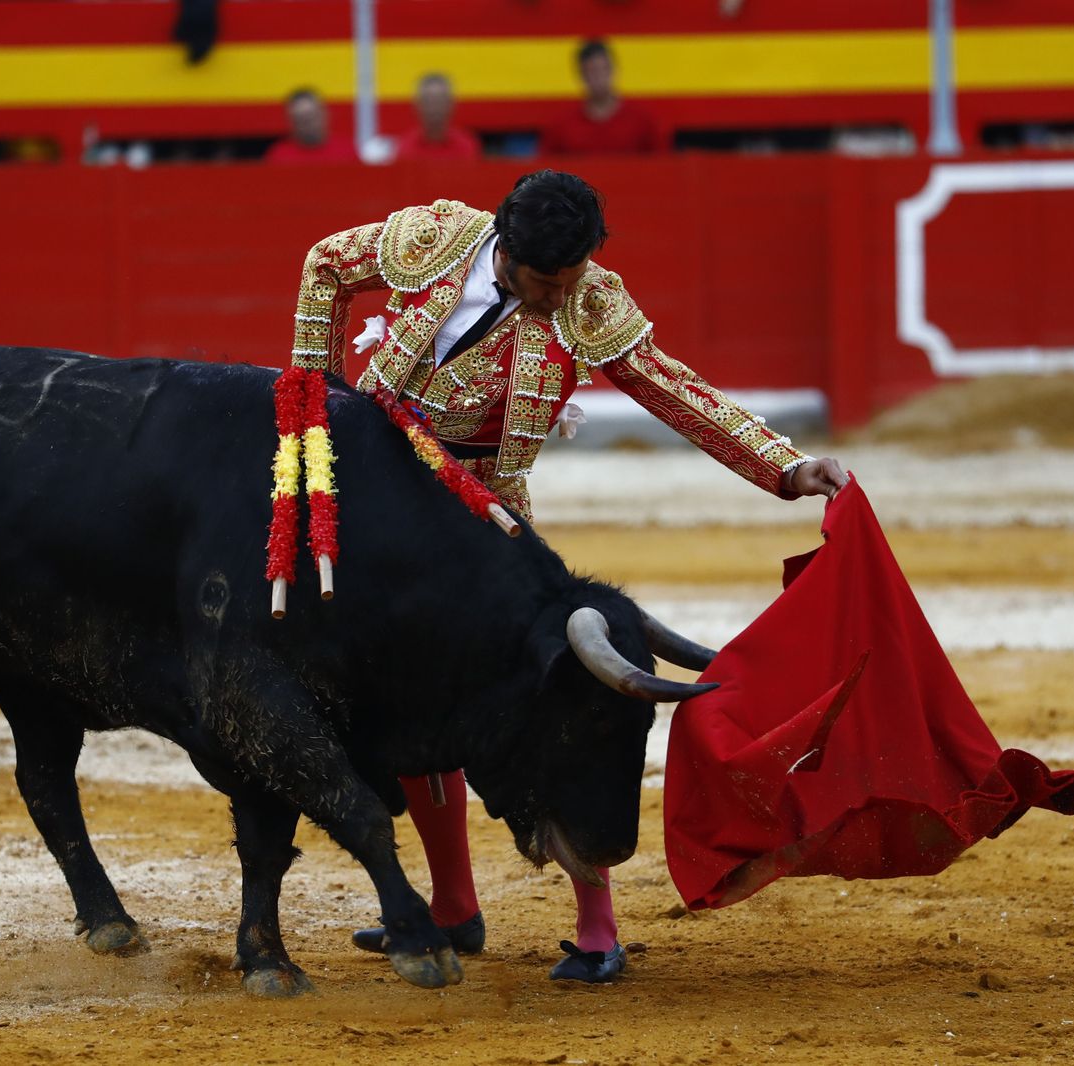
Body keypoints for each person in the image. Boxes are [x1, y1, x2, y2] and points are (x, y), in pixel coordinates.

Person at [288, 170, 846, 982]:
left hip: (492, 530)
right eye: (546, 283)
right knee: (408, 704)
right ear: (504, 252)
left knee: (566, 709)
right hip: (384, 510)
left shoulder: (590, 302)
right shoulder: (433, 238)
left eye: (572, 278)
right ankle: (452, 909)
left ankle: (597, 929)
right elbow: (325, 265)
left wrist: (785, 468)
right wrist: (314, 404)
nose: (561, 297)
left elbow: (674, 389)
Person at [540, 39, 664, 156]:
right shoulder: (561, 126)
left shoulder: (642, 120)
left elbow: (662, 166)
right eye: (592, 71)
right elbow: (546, 172)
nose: (598, 77)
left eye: (603, 69)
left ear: (613, 70)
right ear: (581, 75)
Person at [393, 73, 481, 163]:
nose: (434, 108)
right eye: (428, 101)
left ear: (451, 105)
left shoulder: (466, 145)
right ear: (417, 106)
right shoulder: (405, 146)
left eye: (439, 101)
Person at [264, 88, 359, 165]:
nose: (307, 124)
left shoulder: (346, 150)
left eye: (311, 116)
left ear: (325, 114)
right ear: (291, 122)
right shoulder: (279, 156)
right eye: (300, 119)